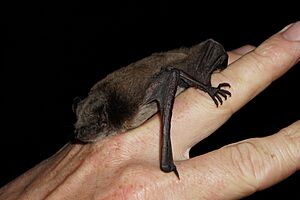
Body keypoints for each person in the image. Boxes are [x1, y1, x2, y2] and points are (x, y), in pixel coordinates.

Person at [0, 21, 299, 200]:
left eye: (92, 128)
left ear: (108, 120)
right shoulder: (101, 103)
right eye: (82, 128)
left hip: (177, 67)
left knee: (171, 76)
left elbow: (172, 76)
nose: (83, 136)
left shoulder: (127, 109)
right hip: (162, 71)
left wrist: (208, 89)